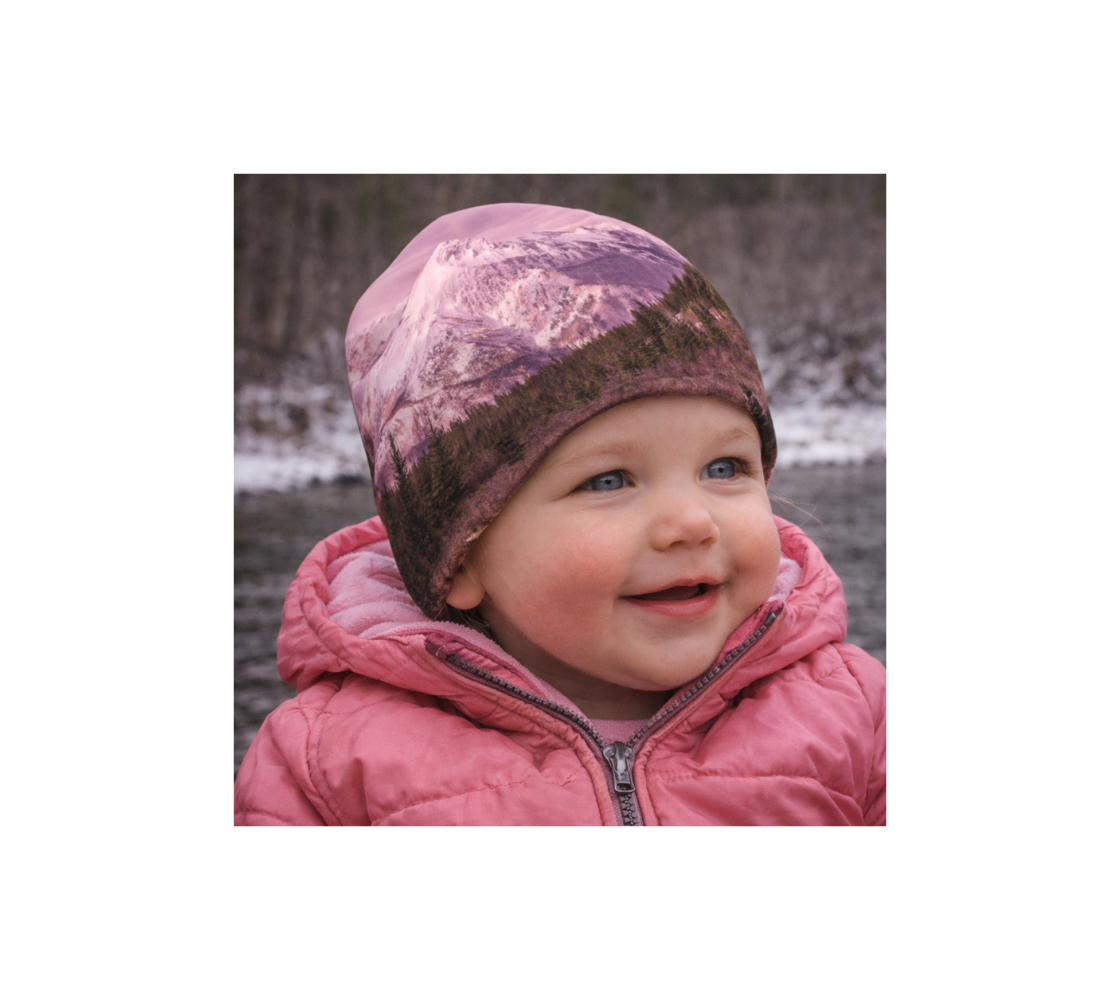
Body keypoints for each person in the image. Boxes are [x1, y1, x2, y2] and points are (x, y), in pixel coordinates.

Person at [233, 203, 887, 827]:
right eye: (608, 479)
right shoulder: (329, 764)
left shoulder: (854, 718)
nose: (693, 522)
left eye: (725, 469)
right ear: (460, 557)